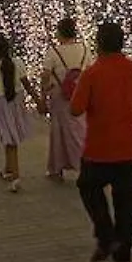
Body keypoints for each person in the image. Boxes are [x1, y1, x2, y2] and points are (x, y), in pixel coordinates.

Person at [71, 22, 132, 262]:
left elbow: (75, 109)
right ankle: (123, 254)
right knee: (126, 201)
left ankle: (106, 235)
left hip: (100, 149)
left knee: (88, 186)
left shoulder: (92, 73)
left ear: (99, 44)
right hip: (130, 147)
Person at [0, 36, 42, 192]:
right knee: (10, 137)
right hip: (16, 102)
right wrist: (38, 101)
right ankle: (7, 168)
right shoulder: (18, 62)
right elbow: (27, 85)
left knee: (9, 139)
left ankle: (16, 176)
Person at [40, 18, 90, 182]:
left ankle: (58, 167)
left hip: (59, 97)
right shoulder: (84, 49)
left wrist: (42, 97)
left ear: (59, 32)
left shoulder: (54, 52)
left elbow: (45, 75)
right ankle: (85, 166)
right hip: (81, 95)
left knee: (59, 132)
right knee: (80, 130)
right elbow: (90, 71)